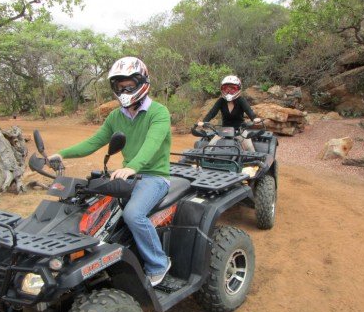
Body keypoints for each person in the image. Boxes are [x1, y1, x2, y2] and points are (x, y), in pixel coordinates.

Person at [49, 57, 172, 286]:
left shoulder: (159, 112)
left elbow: (152, 144)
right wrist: (62, 153)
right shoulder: (116, 116)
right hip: (128, 175)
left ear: (142, 83)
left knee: (133, 215)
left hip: (154, 176)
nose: (124, 90)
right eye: (119, 86)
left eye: (129, 86)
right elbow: (94, 142)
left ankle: (158, 263)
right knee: (88, 206)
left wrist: (132, 167)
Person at [197, 75, 261, 152]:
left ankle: (255, 163)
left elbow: (249, 111)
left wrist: (254, 118)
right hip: (223, 131)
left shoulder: (241, 100)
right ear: (222, 89)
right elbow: (212, 112)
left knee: (250, 149)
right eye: (226, 88)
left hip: (239, 131)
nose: (229, 91)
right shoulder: (221, 101)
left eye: (232, 88)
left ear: (238, 89)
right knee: (208, 148)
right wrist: (204, 121)